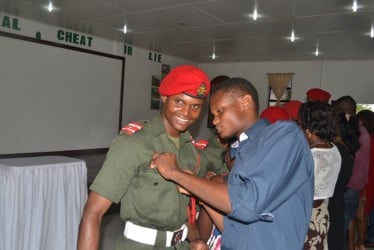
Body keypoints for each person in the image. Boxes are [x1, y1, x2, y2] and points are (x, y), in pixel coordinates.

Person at [151, 77, 314, 249]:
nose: (214, 121)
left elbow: (245, 205)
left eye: (220, 111)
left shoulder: (284, 136)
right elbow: (236, 228)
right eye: (213, 115)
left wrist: (175, 173)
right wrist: (200, 192)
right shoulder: (242, 150)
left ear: (245, 102)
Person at [77, 65, 227, 250]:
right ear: (164, 97)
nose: (186, 113)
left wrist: (195, 238)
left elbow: (184, 213)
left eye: (195, 106)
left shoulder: (191, 151)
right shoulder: (134, 144)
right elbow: (93, 213)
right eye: (179, 102)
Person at [298, 101, 342, 250]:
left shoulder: (311, 156)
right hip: (322, 216)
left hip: (305, 219)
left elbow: (304, 195)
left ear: (308, 131)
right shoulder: (334, 150)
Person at [334, 96, 370, 250]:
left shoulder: (353, 134)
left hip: (347, 188)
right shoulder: (363, 131)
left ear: (345, 112)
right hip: (353, 188)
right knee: (343, 230)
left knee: (338, 231)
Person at [328, 111, 359, 250]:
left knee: (333, 240)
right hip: (337, 199)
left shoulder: (337, 149)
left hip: (334, 200)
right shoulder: (345, 148)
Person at [354, 110, 374, 250]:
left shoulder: (363, 139)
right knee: (364, 213)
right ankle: (362, 241)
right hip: (370, 179)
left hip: (365, 180)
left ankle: (360, 243)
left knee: (360, 213)